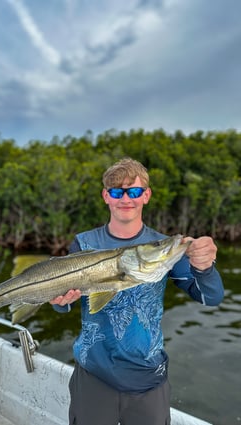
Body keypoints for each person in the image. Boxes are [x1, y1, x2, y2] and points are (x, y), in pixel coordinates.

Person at [50, 157, 224, 425]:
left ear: (146, 196)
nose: (126, 199)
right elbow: (63, 303)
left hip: (148, 377)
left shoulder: (163, 249)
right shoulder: (84, 243)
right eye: (117, 192)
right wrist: (59, 301)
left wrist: (204, 267)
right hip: (93, 374)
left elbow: (211, 297)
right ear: (106, 196)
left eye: (134, 191)